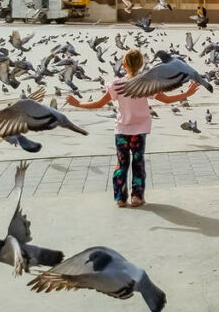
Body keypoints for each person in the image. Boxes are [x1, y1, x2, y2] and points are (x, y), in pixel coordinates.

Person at [66, 48, 200, 208]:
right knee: (138, 163)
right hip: (140, 130)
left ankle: (120, 198)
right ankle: (136, 197)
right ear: (141, 65)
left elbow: (99, 103)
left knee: (122, 164)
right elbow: (166, 99)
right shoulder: (147, 83)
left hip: (122, 130)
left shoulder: (116, 84)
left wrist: (78, 103)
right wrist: (186, 94)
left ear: (123, 65)